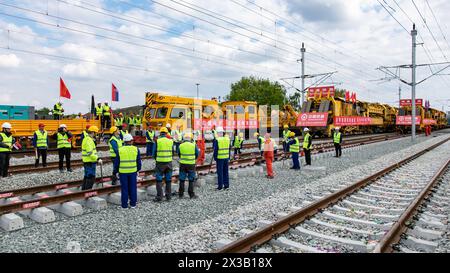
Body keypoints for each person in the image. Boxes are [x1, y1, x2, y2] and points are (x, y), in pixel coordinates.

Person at [116, 134, 142, 208]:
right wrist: (138, 170)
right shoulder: (136, 149)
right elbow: (139, 162)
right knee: (133, 188)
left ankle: (124, 205)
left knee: (124, 188)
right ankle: (133, 204)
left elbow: (117, 162)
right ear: (131, 141)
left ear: (124, 141)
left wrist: (116, 171)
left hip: (123, 172)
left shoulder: (120, 150)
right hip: (133, 172)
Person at [152, 127, 174, 202]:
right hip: (169, 163)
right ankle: (168, 197)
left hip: (160, 163)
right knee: (168, 179)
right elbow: (173, 152)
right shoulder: (170, 141)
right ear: (167, 133)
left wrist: (157, 159)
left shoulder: (157, 141)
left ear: (160, 133)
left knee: (159, 179)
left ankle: (159, 197)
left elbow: (153, 153)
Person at [178, 132, 199, 199]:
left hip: (183, 164)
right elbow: (197, 154)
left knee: (182, 179)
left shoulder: (181, 145)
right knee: (191, 179)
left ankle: (181, 194)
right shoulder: (193, 145)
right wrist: (193, 158)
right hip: (191, 164)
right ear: (191, 138)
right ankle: (191, 195)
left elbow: (179, 154)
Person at [81, 126, 100, 190]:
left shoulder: (88, 139)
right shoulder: (88, 140)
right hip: (90, 161)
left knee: (87, 176)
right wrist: (98, 159)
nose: (96, 135)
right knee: (91, 176)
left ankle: (84, 191)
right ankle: (87, 191)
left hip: (88, 161)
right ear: (93, 132)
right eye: (96, 133)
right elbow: (90, 153)